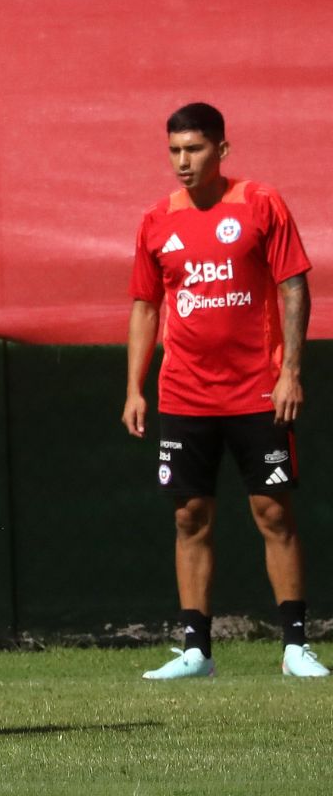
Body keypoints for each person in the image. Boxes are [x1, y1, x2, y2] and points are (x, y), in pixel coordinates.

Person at [122, 102, 327, 679]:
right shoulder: (157, 219)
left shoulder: (261, 204)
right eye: (174, 151)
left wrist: (290, 372)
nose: (183, 162)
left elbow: (293, 288)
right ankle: (196, 650)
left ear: (222, 150)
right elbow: (145, 306)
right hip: (185, 395)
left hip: (259, 391)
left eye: (195, 149)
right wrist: (134, 388)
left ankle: (294, 646)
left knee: (273, 512)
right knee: (190, 517)